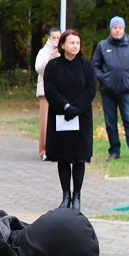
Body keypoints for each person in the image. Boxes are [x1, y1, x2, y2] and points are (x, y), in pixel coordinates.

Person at [45, 30, 96, 210]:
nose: (75, 46)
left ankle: (77, 196)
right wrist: (66, 107)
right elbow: (50, 90)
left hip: (81, 116)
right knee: (63, 157)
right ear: (63, 44)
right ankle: (66, 195)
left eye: (77, 43)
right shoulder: (53, 66)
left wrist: (76, 108)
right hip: (61, 115)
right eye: (72, 43)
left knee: (80, 157)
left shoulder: (86, 66)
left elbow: (91, 89)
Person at [92, 16, 129, 162]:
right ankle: (114, 151)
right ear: (111, 29)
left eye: (120, 28)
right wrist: (103, 78)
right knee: (110, 123)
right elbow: (94, 66)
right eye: (115, 28)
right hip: (108, 91)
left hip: (126, 91)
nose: (117, 30)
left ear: (124, 29)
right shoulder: (102, 46)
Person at [35, 25, 61, 160]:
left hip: (60, 91)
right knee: (45, 122)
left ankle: (57, 148)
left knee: (59, 121)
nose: (56, 40)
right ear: (49, 38)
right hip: (45, 91)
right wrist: (50, 59)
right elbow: (39, 68)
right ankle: (44, 150)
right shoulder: (43, 52)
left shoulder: (63, 51)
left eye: (58, 37)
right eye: (53, 38)